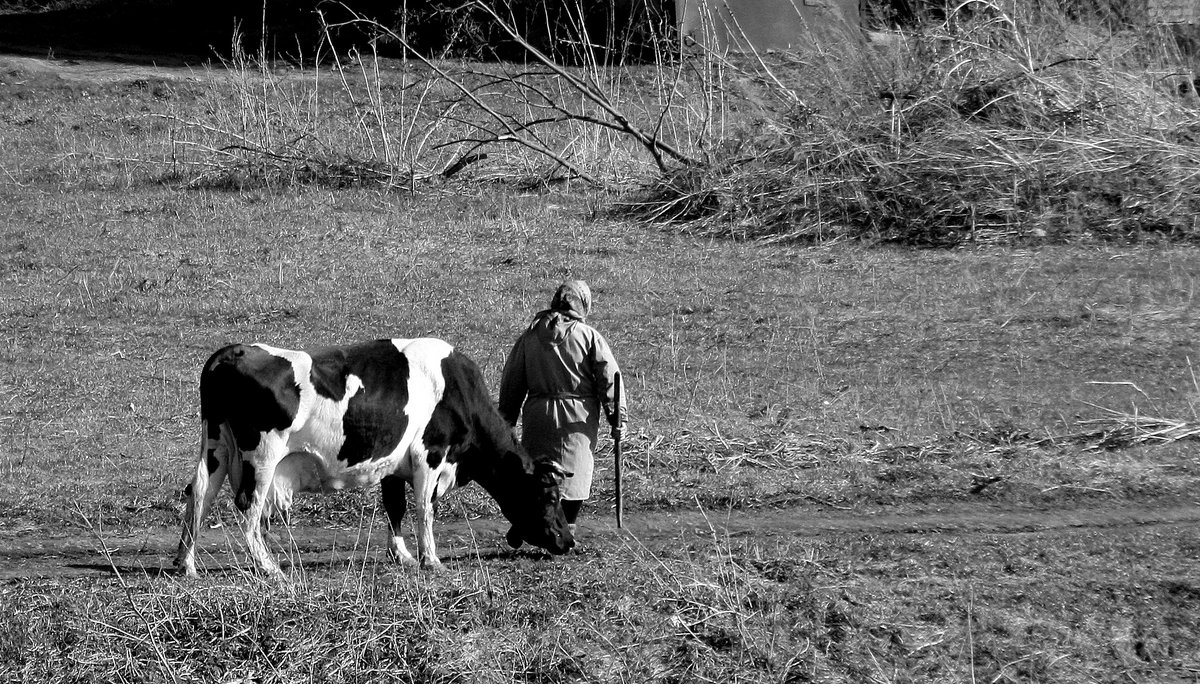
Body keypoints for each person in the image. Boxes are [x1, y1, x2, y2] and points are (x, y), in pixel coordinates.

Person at [499, 279, 626, 543]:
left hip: (539, 414)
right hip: (576, 416)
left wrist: (506, 418)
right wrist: (617, 416)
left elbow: (513, 379)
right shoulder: (588, 336)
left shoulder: (531, 335)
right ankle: (567, 530)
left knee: (540, 473)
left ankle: (528, 521)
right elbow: (610, 377)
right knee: (575, 475)